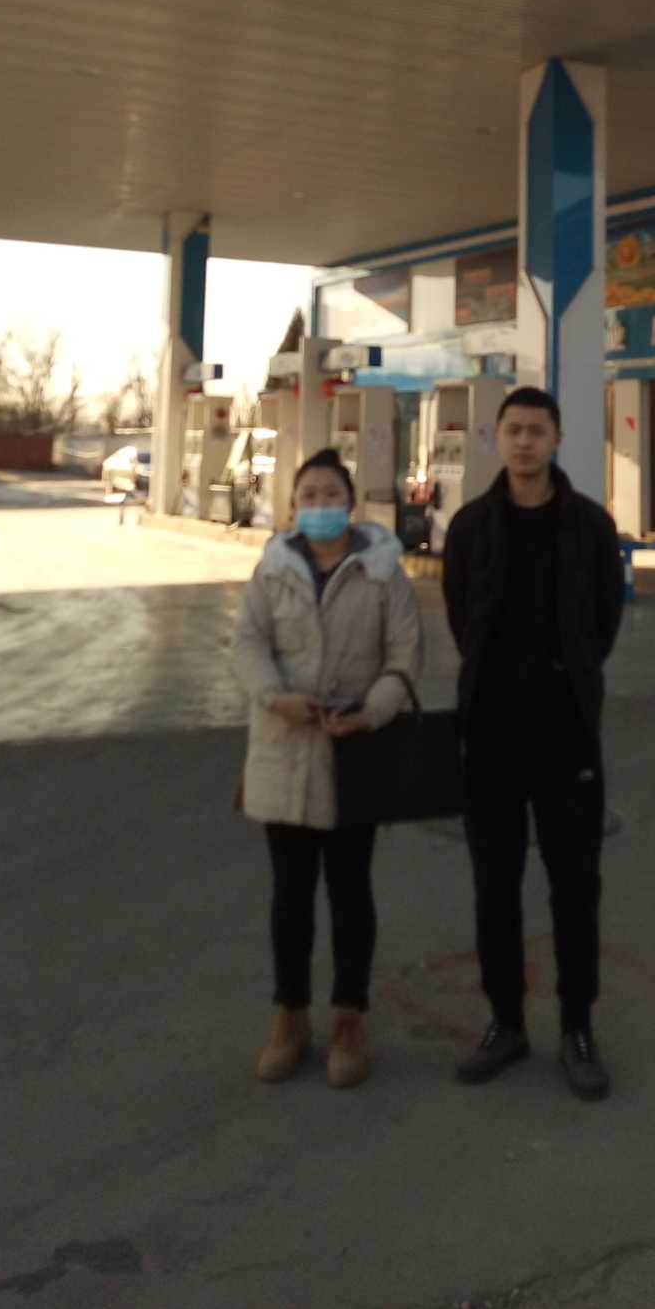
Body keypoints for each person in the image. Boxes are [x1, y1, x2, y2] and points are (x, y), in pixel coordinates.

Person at [441, 385, 623, 1101]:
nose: (523, 442)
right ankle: (506, 1022)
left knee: (575, 886)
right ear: (496, 437)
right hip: (490, 733)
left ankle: (577, 1028)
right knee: (495, 884)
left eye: (536, 431)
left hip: (566, 732)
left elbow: (604, 619)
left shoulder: (590, 527)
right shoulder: (471, 527)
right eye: (513, 430)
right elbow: (461, 616)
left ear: (556, 439)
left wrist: (568, 678)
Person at [229, 445, 423, 1088]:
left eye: (331, 495)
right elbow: (248, 644)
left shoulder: (383, 573)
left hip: (354, 755)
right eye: (308, 496)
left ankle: (348, 1020)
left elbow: (405, 655)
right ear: (292, 507)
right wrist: (273, 697)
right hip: (283, 750)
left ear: (351, 504)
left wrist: (373, 711)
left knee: (349, 894)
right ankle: (289, 1018)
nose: (320, 506)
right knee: (289, 896)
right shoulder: (272, 570)